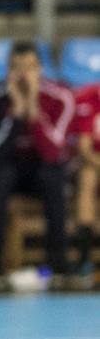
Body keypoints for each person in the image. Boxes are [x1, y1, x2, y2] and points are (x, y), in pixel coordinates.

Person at [0, 41, 74, 285]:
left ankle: (58, 261)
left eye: (30, 68)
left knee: (53, 177)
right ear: (8, 71)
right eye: (17, 68)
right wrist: (16, 114)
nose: (23, 75)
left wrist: (33, 110)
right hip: (8, 166)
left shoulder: (60, 97)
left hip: (42, 166)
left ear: (40, 69)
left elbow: (53, 152)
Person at [69, 80, 100, 289]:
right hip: (91, 162)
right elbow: (85, 148)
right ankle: (85, 258)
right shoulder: (87, 97)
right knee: (88, 177)